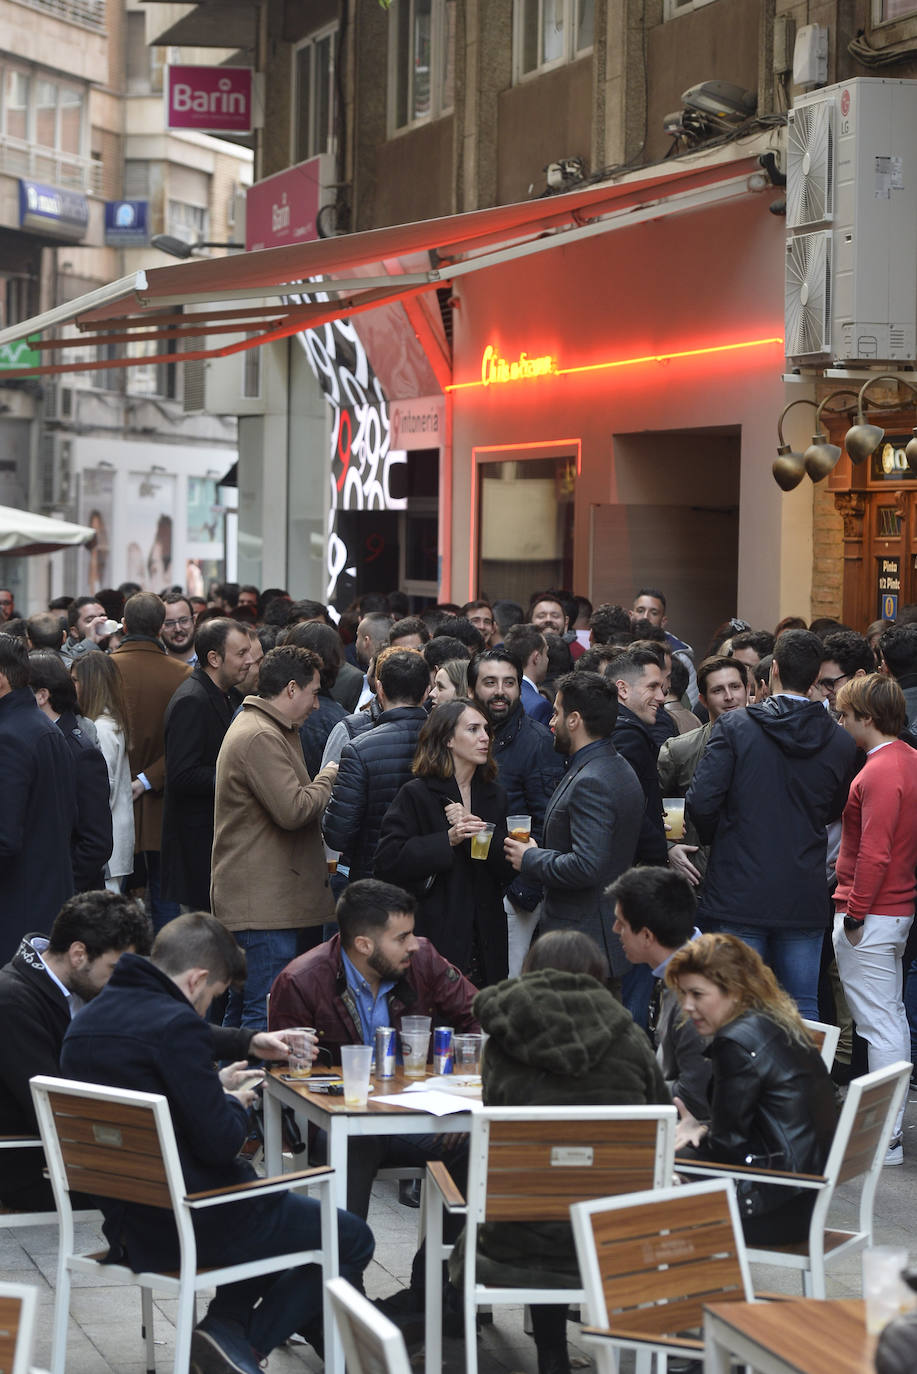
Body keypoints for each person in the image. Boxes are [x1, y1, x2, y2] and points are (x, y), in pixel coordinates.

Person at [60, 910, 374, 1374]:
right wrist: (232, 1100)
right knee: (349, 1237)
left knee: (284, 1220)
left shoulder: (87, 1019)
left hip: (128, 1221)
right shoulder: (174, 1024)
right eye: (211, 997)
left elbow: (170, 1068)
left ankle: (227, 1326)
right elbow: (221, 1143)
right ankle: (245, 1347)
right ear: (196, 979)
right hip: (193, 1221)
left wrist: (233, 1060)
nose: (206, 1009)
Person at [452, 929, 669, 1374]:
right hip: (615, 1237)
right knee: (571, 1198)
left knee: (499, 1190)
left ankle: (539, 1348)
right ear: (597, 977)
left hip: (516, 1242)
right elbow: (658, 1113)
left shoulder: (504, 1043)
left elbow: (497, 1121)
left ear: (531, 971)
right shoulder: (630, 1039)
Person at [269, 879, 478, 1215]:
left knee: (474, 1140)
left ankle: (438, 1267)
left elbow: (481, 1016)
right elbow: (282, 1075)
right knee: (359, 1138)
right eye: (401, 938)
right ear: (364, 945)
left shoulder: (423, 960)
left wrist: (462, 1093)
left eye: (412, 933)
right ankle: (347, 1263)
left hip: (411, 1111)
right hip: (333, 1121)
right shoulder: (301, 980)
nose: (414, 945)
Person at [686, 630, 858, 1018]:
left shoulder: (734, 728)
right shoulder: (841, 742)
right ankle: (798, 1080)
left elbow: (702, 801)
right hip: (802, 889)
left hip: (738, 887)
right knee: (802, 1005)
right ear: (816, 678)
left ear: (774, 669)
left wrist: (724, 837)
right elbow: (835, 807)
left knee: (733, 1002)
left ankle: (739, 1080)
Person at [667, 932, 838, 1243]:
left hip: (769, 1206)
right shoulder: (777, 1021)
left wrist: (695, 1136)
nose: (688, 1006)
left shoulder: (735, 1043)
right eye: (683, 994)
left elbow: (727, 1146)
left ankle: (676, 1286)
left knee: (647, 1177)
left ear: (733, 991)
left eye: (697, 994)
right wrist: (703, 1129)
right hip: (802, 1196)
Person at [0, 891, 154, 1210]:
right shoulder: (12, 1001)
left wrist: (243, 1041)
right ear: (78, 954)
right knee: (174, 1183)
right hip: (32, 1164)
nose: (118, 982)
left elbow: (154, 1024)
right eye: (113, 968)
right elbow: (51, 1107)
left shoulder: (80, 988)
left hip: (74, 1147)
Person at [212, 645, 338, 1027]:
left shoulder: (267, 728)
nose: (317, 705)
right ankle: (253, 1087)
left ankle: (233, 1084)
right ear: (291, 689)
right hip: (263, 907)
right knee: (262, 1013)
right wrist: (330, 776)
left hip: (265, 901)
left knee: (245, 1009)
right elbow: (294, 809)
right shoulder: (260, 736)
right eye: (314, 693)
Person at [506, 671, 642, 980]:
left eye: (556, 712)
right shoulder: (613, 765)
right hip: (597, 936)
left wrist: (529, 857)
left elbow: (586, 865)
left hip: (584, 943)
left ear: (574, 720)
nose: (551, 723)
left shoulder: (592, 780)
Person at [832, 674, 917, 1164]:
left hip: (872, 912)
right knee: (890, 1020)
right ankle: (889, 1132)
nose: (841, 722)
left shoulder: (880, 770)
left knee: (880, 1025)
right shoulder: (906, 760)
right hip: (894, 910)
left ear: (866, 717)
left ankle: (886, 1137)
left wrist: (856, 912)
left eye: (845, 714)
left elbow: (875, 851)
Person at [375, 699, 513, 987]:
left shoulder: (494, 794)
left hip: (485, 932)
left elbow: (506, 869)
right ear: (448, 739)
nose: (485, 737)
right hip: (435, 929)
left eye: (486, 729)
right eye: (473, 729)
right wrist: (446, 840)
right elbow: (388, 860)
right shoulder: (417, 794)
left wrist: (477, 830)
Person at [469, 648, 564, 975]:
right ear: (471, 690)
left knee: (505, 988)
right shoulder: (462, 737)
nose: (499, 691)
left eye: (509, 683)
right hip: (469, 887)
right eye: (490, 682)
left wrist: (522, 890)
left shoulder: (538, 743)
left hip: (512, 892)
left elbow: (549, 820)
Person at [161, 618, 255, 912]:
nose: (250, 661)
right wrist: (237, 777)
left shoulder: (226, 694)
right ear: (214, 658)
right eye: (241, 654)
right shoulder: (193, 700)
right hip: (198, 849)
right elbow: (181, 775)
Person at [111, 593, 192, 926]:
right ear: (161, 626)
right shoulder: (182, 675)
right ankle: (166, 972)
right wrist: (146, 780)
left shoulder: (102, 669)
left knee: (109, 894)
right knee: (164, 893)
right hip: (161, 801)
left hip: (110, 797)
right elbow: (187, 747)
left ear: (125, 625)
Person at [609, 866, 711, 1120]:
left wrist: (622, 1089)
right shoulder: (687, 965)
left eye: (621, 924)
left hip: (705, 1140)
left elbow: (696, 1099)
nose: (614, 930)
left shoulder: (700, 991)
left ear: (646, 936)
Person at [0, 634, 77, 959]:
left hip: (16, 912)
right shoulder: (37, 727)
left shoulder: (11, 736)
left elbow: (5, 837)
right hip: (41, 906)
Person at [323, 649, 430, 883]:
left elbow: (337, 833)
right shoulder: (450, 742)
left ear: (379, 689)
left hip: (374, 878)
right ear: (427, 691)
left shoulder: (359, 749)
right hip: (433, 878)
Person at [657, 655, 748, 888]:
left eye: (735, 687)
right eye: (718, 690)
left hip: (753, 876)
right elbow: (666, 799)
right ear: (703, 700)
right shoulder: (680, 750)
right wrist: (671, 845)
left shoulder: (770, 744)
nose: (729, 697)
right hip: (699, 878)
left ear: (748, 690)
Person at [29, 650, 113, 895]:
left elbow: (96, 842)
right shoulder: (40, 740)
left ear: (42, 695)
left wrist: (60, 886)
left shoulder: (79, 752)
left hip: (66, 894)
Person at [72, 650, 135, 892]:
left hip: (108, 853)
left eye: (76, 680)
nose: (72, 686)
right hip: (111, 845)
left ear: (91, 684)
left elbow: (102, 792)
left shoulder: (102, 728)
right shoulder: (106, 723)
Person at [605, 648, 668, 866]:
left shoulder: (615, 728)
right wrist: (659, 848)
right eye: (652, 687)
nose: (661, 697)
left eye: (661, 687)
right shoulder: (627, 735)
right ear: (622, 689)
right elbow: (625, 808)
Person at [632, 587, 697, 705]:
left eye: (654, 613)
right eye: (640, 610)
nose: (646, 617)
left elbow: (691, 703)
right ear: (631, 614)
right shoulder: (619, 648)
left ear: (663, 621)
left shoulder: (680, 656)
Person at [503, 623, 551, 725]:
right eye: (546, 653)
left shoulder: (495, 693)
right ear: (536, 658)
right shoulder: (540, 706)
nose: (547, 659)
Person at [160, 592, 198, 665]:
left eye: (183, 621)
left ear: (194, 620)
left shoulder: (210, 661)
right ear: (160, 627)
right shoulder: (154, 665)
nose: (178, 629)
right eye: (169, 623)